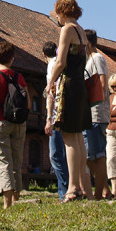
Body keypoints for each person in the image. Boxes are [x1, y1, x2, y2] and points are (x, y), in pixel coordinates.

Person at [45, 0, 93, 202]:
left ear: (62, 11)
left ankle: (72, 188)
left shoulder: (66, 29)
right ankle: (81, 186)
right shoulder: (81, 31)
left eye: (57, 12)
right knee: (78, 138)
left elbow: (61, 62)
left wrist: (51, 82)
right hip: (80, 86)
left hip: (69, 85)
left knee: (69, 137)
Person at [0, 41, 31, 209]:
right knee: (17, 161)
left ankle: (6, 203)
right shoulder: (19, 77)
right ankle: (16, 199)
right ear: (12, 59)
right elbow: (28, 102)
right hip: (18, 123)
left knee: (3, 161)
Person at [83, 29, 111, 200]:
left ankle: (99, 194)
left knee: (97, 154)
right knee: (89, 155)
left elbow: (102, 81)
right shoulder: (90, 60)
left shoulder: (97, 58)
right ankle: (105, 188)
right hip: (90, 113)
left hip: (97, 113)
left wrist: (94, 100)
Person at [42, 41, 69, 200]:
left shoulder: (52, 65)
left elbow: (51, 92)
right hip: (65, 112)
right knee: (64, 153)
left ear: (44, 55)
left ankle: (64, 191)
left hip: (56, 114)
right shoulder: (60, 63)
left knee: (56, 155)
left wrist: (49, 118)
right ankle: (68, 189)